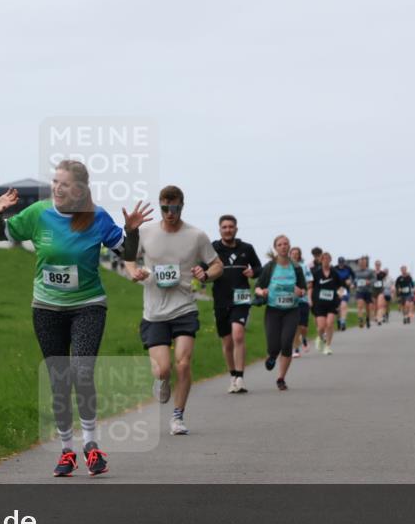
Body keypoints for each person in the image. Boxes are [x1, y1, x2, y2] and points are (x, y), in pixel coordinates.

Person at [0, 161, 150, 476]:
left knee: (82, 371)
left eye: (63, 184)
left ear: (79, 190)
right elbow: (1, 234)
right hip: (46, 307)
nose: (56, 188)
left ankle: (90, 444)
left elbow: (127, 254)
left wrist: (131, 231)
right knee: (59, 379)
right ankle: (66, 450)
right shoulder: (38, 213)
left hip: (88, 305)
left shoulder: (97, 218)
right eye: (54, 181)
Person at [125, 185, 222, 434]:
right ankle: (161, 380)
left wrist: (207, 274)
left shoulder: (196, 236)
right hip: (154, 312)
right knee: (163, 369)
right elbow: (127, 257)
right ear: (160, 207)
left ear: (182, 206)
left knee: (183, 363)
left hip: (184, 308)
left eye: (175, 207)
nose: (170, 212)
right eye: (165, 208)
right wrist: (134, 271)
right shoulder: (146, 232)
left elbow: (217, 265)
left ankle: (178, 417)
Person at [210, 215, 263, 393]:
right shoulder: (213, 248)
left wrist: (252, 271)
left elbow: (258, 268)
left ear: (236, 229)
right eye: (224, 227)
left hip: (241, 298)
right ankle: (232, 375)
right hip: (220, 300)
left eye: (231, 227)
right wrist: (203, 273)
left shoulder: (246, 248)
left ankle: (240, 377)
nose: (228, 230)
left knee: (238, 334)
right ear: (220, 230)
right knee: (227, 342)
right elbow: (204, 267)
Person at [254, 235, 307, 390]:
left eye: (286, 244)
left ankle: (281, 378)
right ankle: (271, 356)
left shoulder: (296, 267)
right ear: (275, 248)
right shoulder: (270, 266)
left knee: (286, 343)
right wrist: (262, 292)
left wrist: (300, 291)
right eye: (280, 244)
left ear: (289, 246)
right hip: (273, 310)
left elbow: (303, 288)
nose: (283, 246)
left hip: (292, 310)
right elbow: (257, 286)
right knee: (274, 345)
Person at [312, 250, 344, 354]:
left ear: (330, 260)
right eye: (324, 259)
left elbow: (340, 287)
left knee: (329, 324)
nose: (326, 261)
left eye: (328, 259)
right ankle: (320, 338)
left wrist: (340, 296)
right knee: (321, 327)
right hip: (319, 303)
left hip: (332, 302)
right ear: (321, 261)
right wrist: (310, 300)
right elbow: (310, 287)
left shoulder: (335, 273)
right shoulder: (316, 274)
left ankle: (327, 346)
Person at [290, 247, 314, 357]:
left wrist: (303, 290)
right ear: (290, 254)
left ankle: (304, 338)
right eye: (293, 253)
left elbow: (310, 282)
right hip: (290, 300)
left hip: (303, 299)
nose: (295, 255)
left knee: (303, 327)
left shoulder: (304, 267)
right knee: (295, 326)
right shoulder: (286, 267)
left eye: (297, 253)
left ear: (299, 255)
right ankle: (296, 349)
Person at [353, 256, 375, 328]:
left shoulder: (370, 271)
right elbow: (354, 280)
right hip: (359, 291)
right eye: (360, 263)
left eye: (363, 262)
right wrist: (353, 284)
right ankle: (360, 319)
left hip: (368, 291)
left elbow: (374, 279)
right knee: (360, 305)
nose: (361, 264)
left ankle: (367, 318)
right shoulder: (356, 271)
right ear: (359, 263)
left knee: (368, 307)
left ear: (366, 263)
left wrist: (369, 282)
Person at [335, 256, 354, 331]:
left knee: (343, 304)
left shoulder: (348, 268)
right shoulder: (334, 268)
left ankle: (343, 321)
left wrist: (351, 282)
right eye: (340, 263)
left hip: (345, 289)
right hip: (336, 289)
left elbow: (354, 276)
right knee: (337, 308)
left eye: (342, 263)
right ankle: (339, 320)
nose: (341, 265)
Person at [372, 260, 388, 326]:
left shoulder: (383, 273)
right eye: (376, 264)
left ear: (380, 265)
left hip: (380, 290)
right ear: (375, 265)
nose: (377, 266)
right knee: (375, 305)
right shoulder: (372, 272)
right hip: (373, 290)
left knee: (380, 305)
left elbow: (385, 280)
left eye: (379, 264)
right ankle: (375, 316)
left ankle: (379, 318)